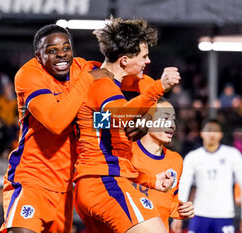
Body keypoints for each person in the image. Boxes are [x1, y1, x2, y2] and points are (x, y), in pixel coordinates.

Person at [0, 24, 114, 233]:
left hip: (65, 187)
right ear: (38, 56)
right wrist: (88, 81)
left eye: (66, 48)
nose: (61, 55)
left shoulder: (83, 68)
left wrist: (158, 87)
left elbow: (124, 74)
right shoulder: (29, 75)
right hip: (32, 180)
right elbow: (56, 122)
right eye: (52, 50)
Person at [73, 17, 181, 233]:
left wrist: (149, 180)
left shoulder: (102, 86)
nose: (148, 62)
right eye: (144, 56)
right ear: (124, 60)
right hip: (104, 184)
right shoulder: (103, 85)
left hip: (96, 184)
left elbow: (108, 128)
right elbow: (123, 116)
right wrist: (159, 86)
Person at [175, 118, 242, 233]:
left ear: (221, 134)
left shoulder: (233, 155)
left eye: (215, 131)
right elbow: (184, 185)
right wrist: (178, 216)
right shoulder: (193, 157)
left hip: (224, 214)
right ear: (201, 133)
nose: (211, 134)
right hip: (199, 214)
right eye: (208, 130)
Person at [130, 98, 194, 232]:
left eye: (173, 119)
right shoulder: (127, 154)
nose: (172, 125)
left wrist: (182, 210)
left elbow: (171, 201)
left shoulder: (176, 160)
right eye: (165, 119)